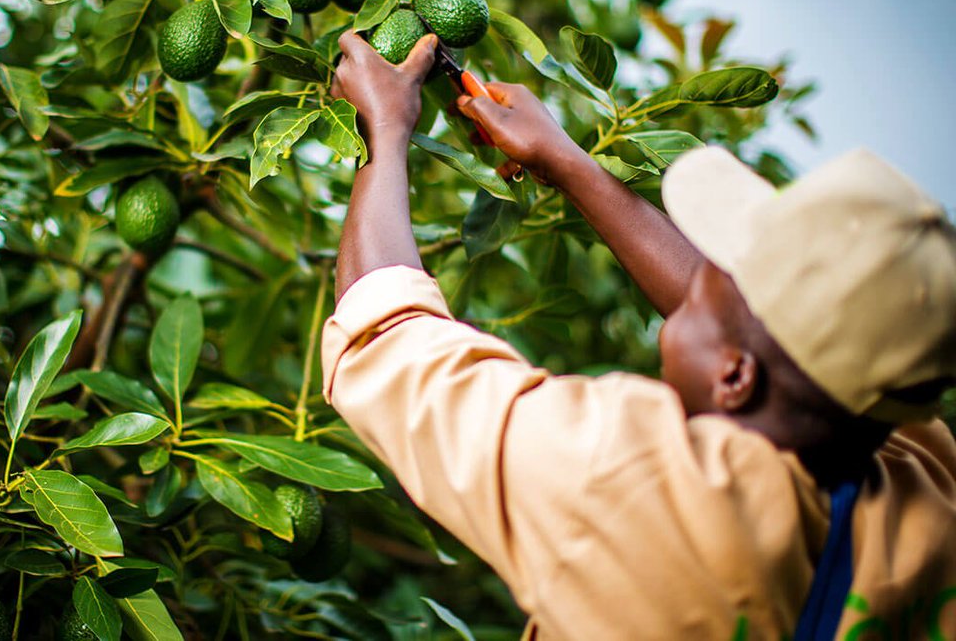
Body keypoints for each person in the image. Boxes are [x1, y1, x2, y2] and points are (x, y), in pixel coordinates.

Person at [321, 31, 956, 639]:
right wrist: (568, 163)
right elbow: (798, 343)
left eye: (713, 280)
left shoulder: (621, 483)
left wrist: (386, 127)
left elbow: (383, 335)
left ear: (735, 376)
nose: (694, 279)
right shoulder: (927, 487)